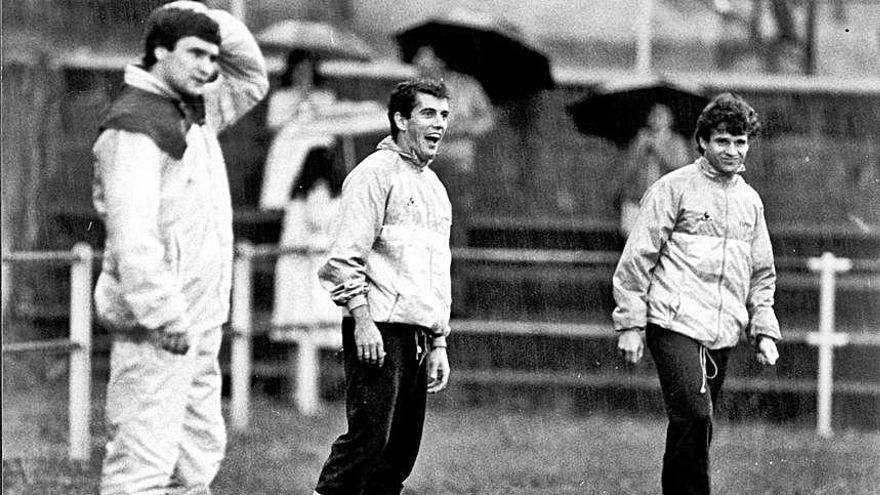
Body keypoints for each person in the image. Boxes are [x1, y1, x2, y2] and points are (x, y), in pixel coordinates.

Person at [91, 2, 268, 493]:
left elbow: (251, 77)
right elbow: (133, 237)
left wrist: (205, 18)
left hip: (199, 318)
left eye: (213, 56)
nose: (209, 67)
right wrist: (164, 314)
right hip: (159, 326)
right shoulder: (134, 125)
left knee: (195, 461)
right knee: (141, 465)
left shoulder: (192, 110)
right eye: (195, 52)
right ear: (159, 51)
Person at [611, 93, 781, 495]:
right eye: (723, 140)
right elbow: (637, 258)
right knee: (694, 415)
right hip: (673, 322)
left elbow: (761, 273)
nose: (732, 150)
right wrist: (631, 324)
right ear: (702, 141)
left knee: (694, 426)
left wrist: (764, 328)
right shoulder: (674, 189)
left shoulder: (750, 202)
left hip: (722, 330)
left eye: (740, 142)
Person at [312, 79, 453, 495]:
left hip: (417, 335)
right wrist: (362, 320)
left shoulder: (435, 188)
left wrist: (439, 341)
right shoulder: (372, 175)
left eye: (444, 115)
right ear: (400, 119)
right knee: (367, 442)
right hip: (378, 329)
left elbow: (436, 274)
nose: (439, 124)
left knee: (399, 453)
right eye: (428, 113)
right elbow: (343, 258)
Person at [412, 45, 494, 247]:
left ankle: (457, 270)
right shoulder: (415, 91)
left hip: (458, 161)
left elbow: (487, 119)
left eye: (424, 58)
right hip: (425, 162)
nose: (417, 63)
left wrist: (464, 128)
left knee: (456, 214)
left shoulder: (468, 86)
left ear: (439, 62)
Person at [618, 103, 691, 238]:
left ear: (669, 120)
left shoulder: (676, 141)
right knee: (631, 238)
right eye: (653, 115)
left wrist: (658, 149)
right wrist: (639, 148)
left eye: (661, 115)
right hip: (637, 198)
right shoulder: (640, 139)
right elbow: (627, 168)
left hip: (663, 201)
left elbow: (681, 168)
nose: (656, 119)